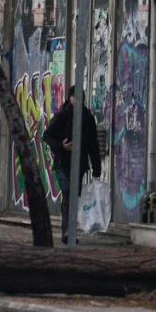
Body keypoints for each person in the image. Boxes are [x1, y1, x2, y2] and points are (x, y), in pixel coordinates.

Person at [43, 86, 101, 244]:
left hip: (79, 166)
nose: (77, 100)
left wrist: (97, 169)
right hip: (62, 164)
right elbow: (46, 136)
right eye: (75, 97)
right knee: (68, 193)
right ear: (70, 98)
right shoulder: (62, 115)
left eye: (80, 97)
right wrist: (61, 146)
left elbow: (93, 145)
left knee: (72, 198)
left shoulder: (88, 118)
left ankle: (70, 232)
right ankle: (68, 233)